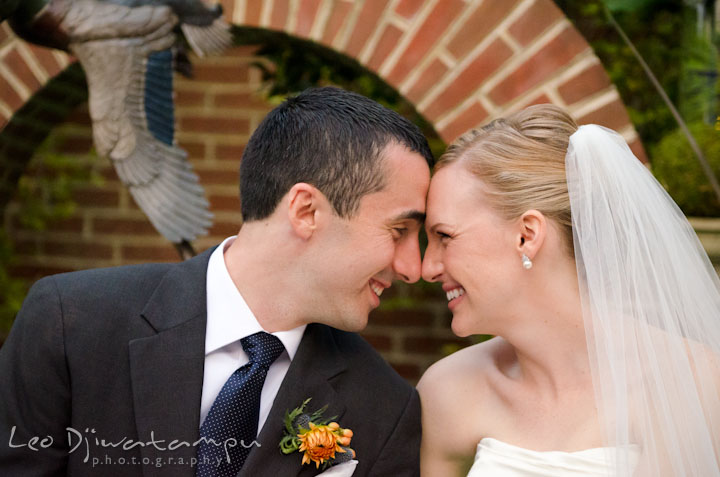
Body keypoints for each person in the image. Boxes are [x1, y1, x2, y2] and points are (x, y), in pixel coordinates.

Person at [0, 87, 433, 476]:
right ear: (306, 211)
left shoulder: (385, 410)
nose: (413, 268)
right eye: (399, 232)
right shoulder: (70, 324)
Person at [417, 104, 720, 476]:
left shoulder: (689, 381)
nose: (426, 268)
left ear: (527, 235)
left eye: (444, 236)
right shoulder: (448, 390)